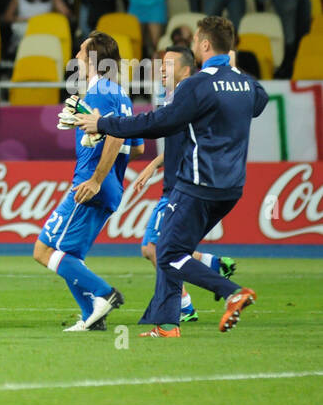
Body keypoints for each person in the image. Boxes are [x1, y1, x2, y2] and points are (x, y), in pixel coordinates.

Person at [74, 17, 265, 336]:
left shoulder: (197, 84)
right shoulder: (247, 84)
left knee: (167, 252)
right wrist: (233, 70)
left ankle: (231, 291)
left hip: (197, 184)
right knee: (170, 247)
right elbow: (258, 103)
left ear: (204, 45)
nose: (193, 47)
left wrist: (104, 124)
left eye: (195, 43)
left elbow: (157, 122)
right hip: (232, 187)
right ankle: (165, 323)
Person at [123, 45, 236, 325]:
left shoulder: (191, 99)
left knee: (157, 249)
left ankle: (183, 306)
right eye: (161, 64)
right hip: (175, 187)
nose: (162, 69)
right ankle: (205, 272)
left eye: (169, 64)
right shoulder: (176, 100)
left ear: (186, 69)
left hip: (181, 189)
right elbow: (180, 143)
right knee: (162, 249)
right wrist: (153, 164)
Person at [33, 31, 137, 332]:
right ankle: (92, 316)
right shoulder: (120, 93)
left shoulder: (99, 90)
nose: (76, 55)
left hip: (92, 183)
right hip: (112, 184)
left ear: (92, 59)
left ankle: (104, 293)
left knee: (43, 250)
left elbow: (116, 135)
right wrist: (86, 124)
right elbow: (136, 144)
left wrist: (95, 178)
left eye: (81, 51)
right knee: (71, 255)